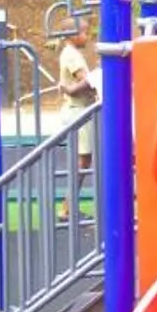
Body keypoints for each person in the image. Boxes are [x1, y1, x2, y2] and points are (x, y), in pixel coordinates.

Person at [56, 19, 97, 222]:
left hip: (78, 109)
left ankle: (68, 207)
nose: (87, 37)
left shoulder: (70, 53)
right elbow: (86, 81)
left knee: (84, 160)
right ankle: (67, 208)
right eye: (84, 33)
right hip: (78, 110)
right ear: (73, 35)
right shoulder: (71, 54)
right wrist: (98, 77)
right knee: (83, 160)